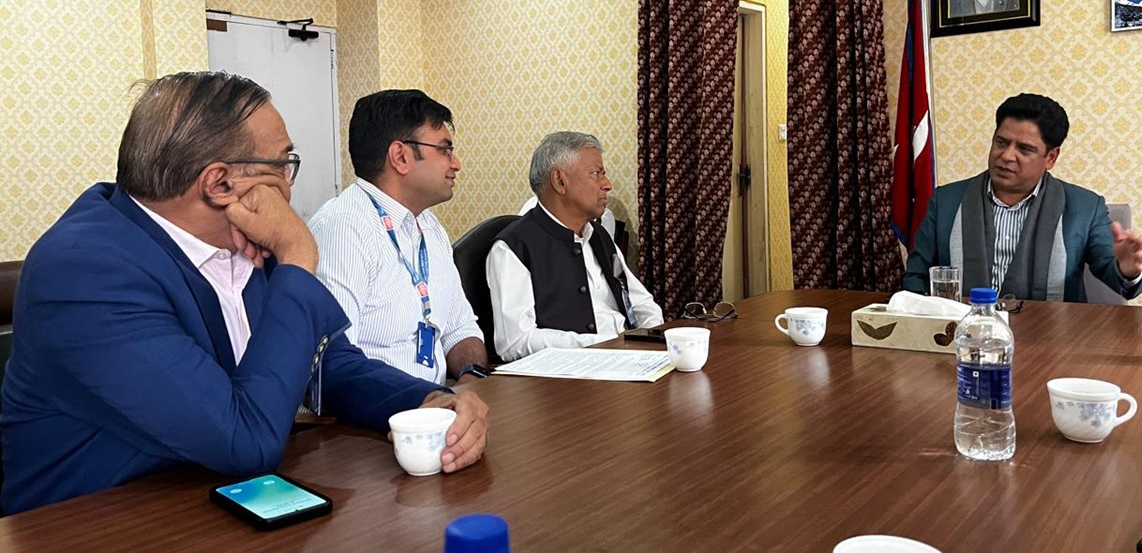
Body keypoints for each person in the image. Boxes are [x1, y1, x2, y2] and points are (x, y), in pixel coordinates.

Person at [1, 72, 487, 515]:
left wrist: (430, 400)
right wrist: (298, 253)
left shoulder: (245, 241)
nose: (289, 189)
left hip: (216, 503)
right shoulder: (84, 272)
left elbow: (328, 364)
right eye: (283, 165)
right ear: (219, 183)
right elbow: (245, 440)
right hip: (97, 524)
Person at [309, 90, 490, 385]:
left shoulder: (428, 226)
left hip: (437, 404)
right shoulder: (343, 230)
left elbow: (461, 330)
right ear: (401, 156)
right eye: (444, 150)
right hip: (379, 411)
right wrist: (429, 400)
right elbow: (334, 366)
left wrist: (470, 382)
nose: (455, 163)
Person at [903, 93, 1142, 302]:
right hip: (964, 333)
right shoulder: (946, 201)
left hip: (1051, 336)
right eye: (1001, 143)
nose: (1007, 156)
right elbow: (916, 277)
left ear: (1051, 157)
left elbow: (1115, 276)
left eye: (1024, 149)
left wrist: (1127, 271)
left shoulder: (1085, 208)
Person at [487, 131, 663, 361]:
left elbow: (640, 302)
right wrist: (606, 345)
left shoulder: (599, 235)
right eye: (596, 174)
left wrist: (654, 339)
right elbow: (515, 342)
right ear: (560, 181)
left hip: (630, 359)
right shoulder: (513, 248)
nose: (607, 185)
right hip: (572, 372)